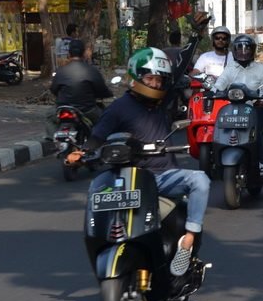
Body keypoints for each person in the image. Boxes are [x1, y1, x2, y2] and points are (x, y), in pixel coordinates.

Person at [70, 47, 210, 277]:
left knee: (201, 181)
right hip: (130, 180)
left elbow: (180, 68)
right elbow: (98, 136)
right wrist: (82, 153)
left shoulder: (163, 102)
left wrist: (195, 35)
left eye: (159, 80)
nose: (155, 84)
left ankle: (188, 241)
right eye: (150, 78)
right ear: (136, 77)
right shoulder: (119, 108)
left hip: (165, 176)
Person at [213, 34, 263, 171]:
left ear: (252, 50)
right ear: (234, 50)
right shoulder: (230, 67)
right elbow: (221, 82)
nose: (243, 51)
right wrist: (214, 91)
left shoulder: (260, 68)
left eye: (247, 48)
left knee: (256, 133)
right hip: (233, 108)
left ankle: (261, 163)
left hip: (255, 108)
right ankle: (216, 161)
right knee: (220, 128)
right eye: (239, 48)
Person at [46, 39, 113, 138]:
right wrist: (108, 93)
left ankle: (52, 140)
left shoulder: (61, 71)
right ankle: (98, 142)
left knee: (49, 116)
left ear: (69, 54)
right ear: (84, 53)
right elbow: (102, 90)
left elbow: (53, 89)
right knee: (105, 118)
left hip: (63, 109)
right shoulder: (91, 70)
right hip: (87, 110)